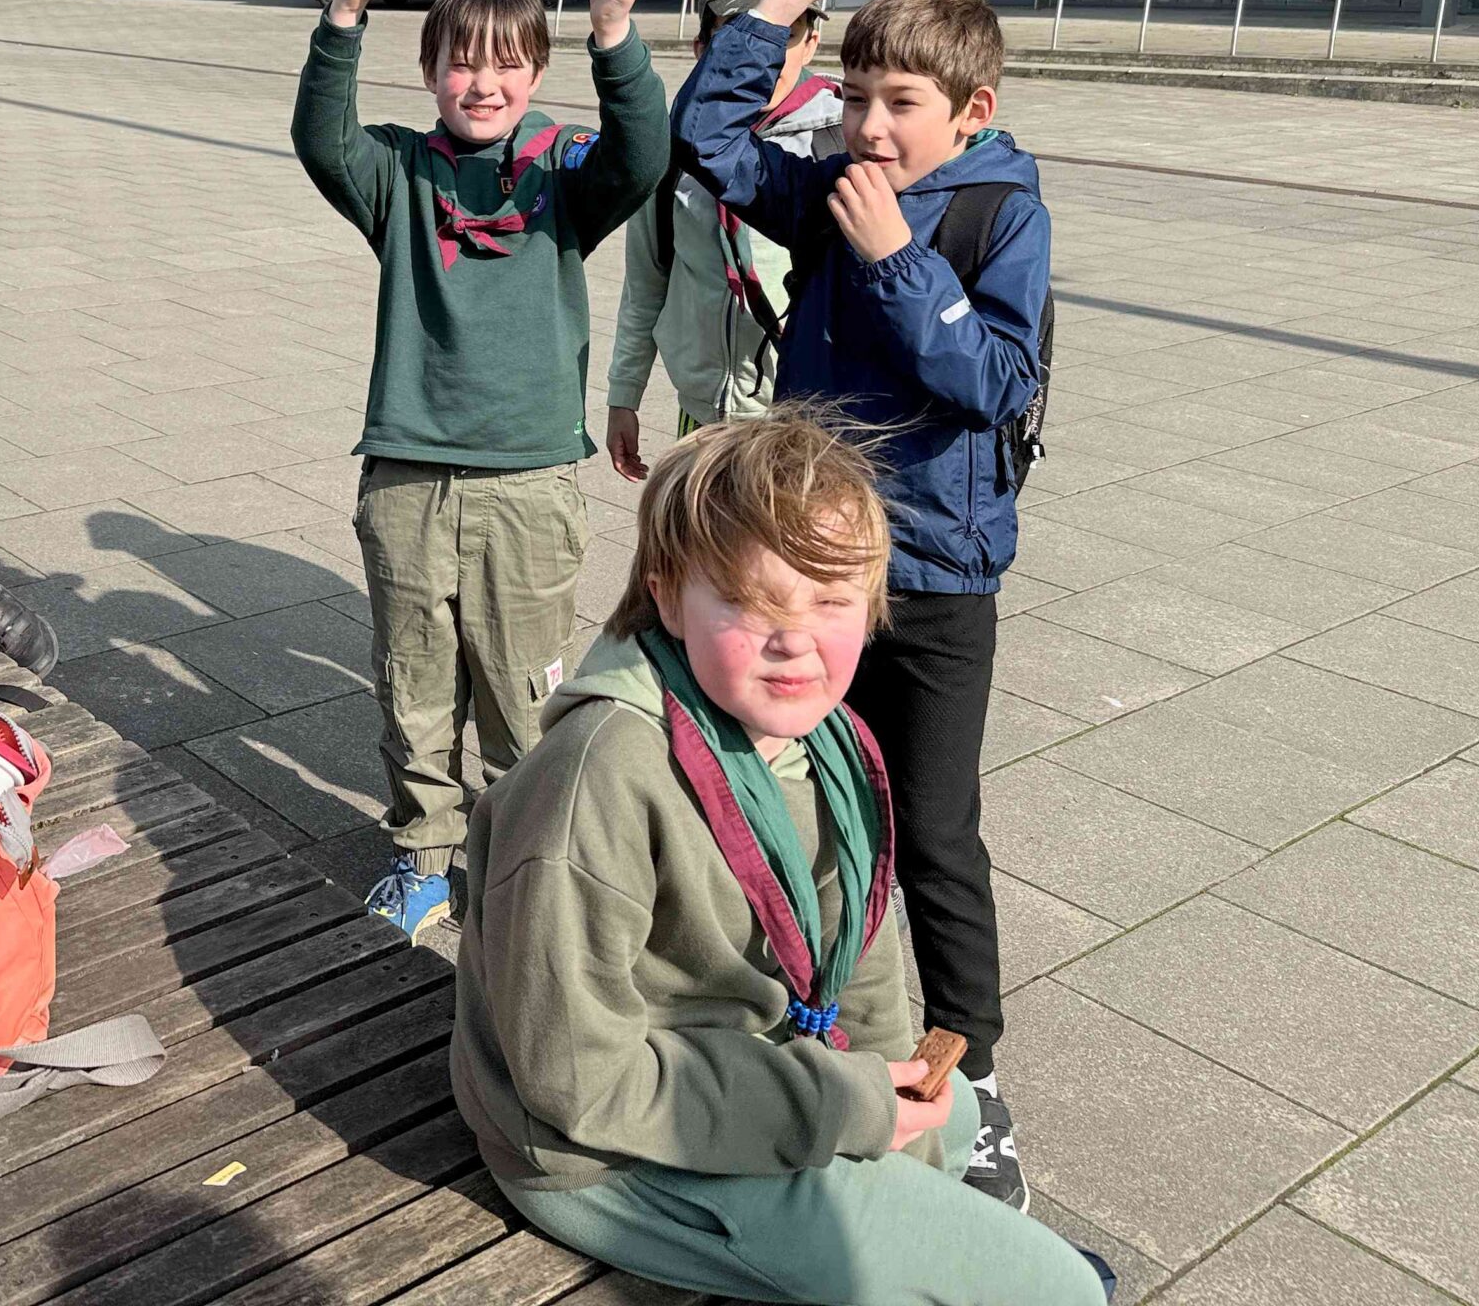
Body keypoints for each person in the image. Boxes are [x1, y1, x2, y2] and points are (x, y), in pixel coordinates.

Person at [450, 412, 1112, 1306]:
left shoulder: (830, 744)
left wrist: (885, 1114)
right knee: (1062, 1291)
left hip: (745, 1073)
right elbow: (576, 1080)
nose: (794, 638)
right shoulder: (596, 779)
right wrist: (842, 1110)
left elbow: (859, 966)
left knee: (951, 1119)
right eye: (749, 600)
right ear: (667, 596)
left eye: (831, 601)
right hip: (605, 1152)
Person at [676, 0, 1051, 1211]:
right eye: (854, 97)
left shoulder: (1001, 213)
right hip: (813, 565)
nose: (869, 127)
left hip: (936, 579)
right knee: (804, 800)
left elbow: (994, 382)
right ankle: (819, 1017)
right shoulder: (835, 184)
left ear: (972, 111)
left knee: (933, 830)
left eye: (900, 103)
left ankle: (973, 1082)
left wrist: (897, 259)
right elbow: (708, 143)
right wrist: (783, 4)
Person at [291, 0, 668, 943]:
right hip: (408, 474)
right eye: (461, 62)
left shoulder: (564, 171)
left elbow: (642, 157)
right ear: (429, 73)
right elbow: (323, 140)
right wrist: (344, 14)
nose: (483, 82)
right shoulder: (399, 172)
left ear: (536, 70)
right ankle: (421, 855)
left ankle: (517, 861)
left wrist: (615, 28)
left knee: (522, 692)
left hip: (528, 480)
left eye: (506, 62)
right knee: (412, 681)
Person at [605, 0, 844, 482]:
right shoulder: (674, 150)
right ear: (703, 48)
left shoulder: (840, 144)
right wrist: (625, 393)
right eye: (741, 32)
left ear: (812, 41)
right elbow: (646, 283)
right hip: (703, 412)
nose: (768, 54)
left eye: (786, 32)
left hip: (807, 420)